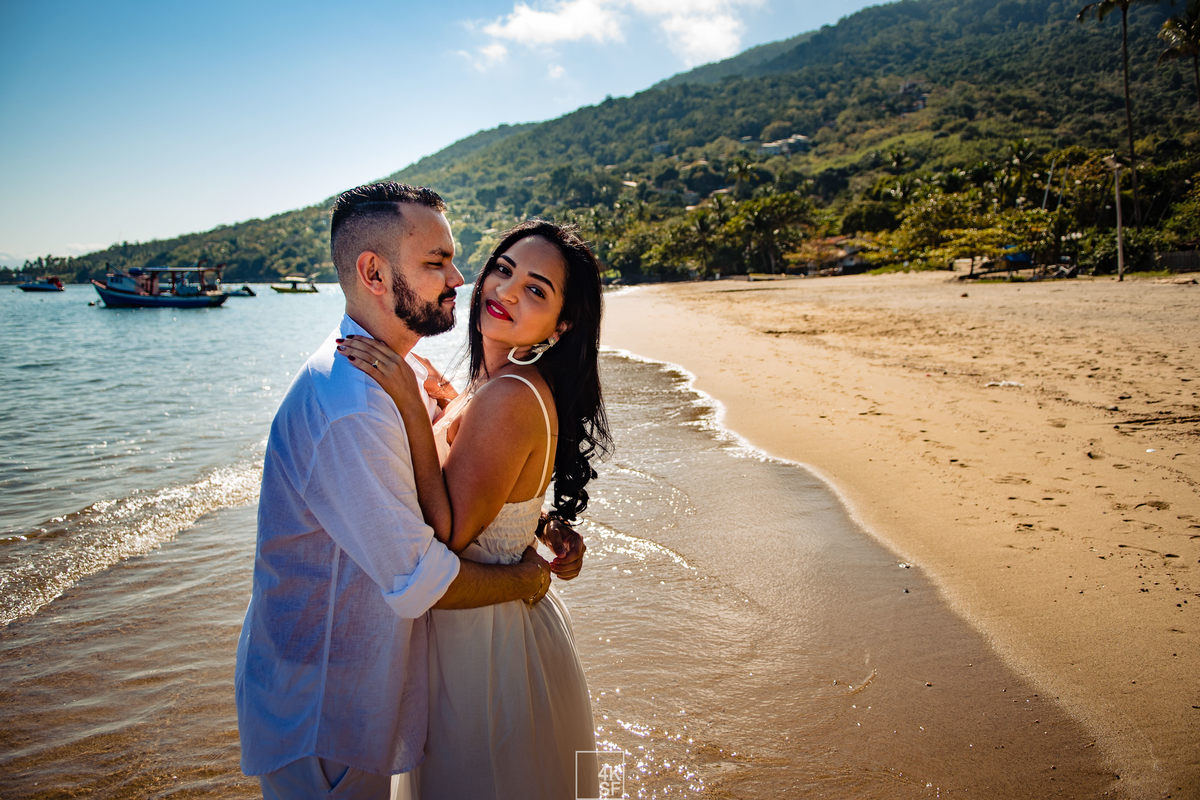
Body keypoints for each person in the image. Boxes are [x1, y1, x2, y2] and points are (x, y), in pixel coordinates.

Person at [234, 183, 587, 800]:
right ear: (374, 271)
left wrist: (533, 519)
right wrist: (525, 579)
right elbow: (422, 574)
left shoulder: (408, 380)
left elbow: (475, 480)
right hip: (328, 704)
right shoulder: (356, 403)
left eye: (454, 259)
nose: (463, 277)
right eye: (435, 262)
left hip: (386, 683)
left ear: (561, 322)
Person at [336, 219, 611, 799]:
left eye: (536, 289)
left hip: (486, 650)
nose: (506, 291)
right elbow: (496, 488)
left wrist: (411, 406)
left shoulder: (510, 395)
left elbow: (452, 533)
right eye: (504, 270)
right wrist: (442, 401)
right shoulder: (491, 385)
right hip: (483, 632)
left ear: (560, 326)